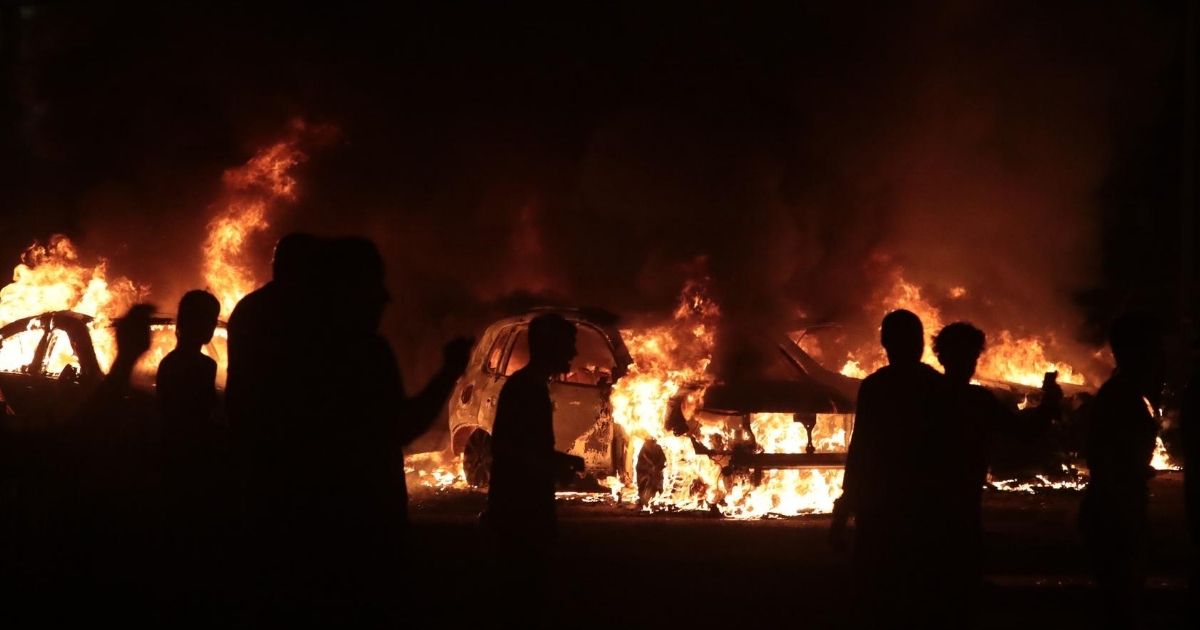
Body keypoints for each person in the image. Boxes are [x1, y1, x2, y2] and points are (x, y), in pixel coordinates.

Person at [929, 321, 1062, 625]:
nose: (969, 363)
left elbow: (1024, 431)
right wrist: (1049, 403)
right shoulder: (976, 402)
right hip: (957, 503)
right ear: (946, 357)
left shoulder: (929, 398)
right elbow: (1025, 431)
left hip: (935, 504)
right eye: (967, 356)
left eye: (972, 356)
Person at [829, 309, 944, 627]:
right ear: (920, 344)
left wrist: (843, 511)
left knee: (877, 595)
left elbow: (861, 452)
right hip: (925, 509)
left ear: (885, 344)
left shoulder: (875, 387)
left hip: (880, 508)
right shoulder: (937, 387)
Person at [482, 312, 584, 627]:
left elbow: (524, 446)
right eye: (569, 345)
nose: (574, 354)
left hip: (525, 510)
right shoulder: (526, 390)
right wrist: (551, 465)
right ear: (550, 348)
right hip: (520, 513)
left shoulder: (529, 387)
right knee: (523, 598)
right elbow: (510, 450)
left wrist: (560, 461)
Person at [1079, 312, 1164, 628]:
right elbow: (1105, 459)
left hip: (1118, 510)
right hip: (1115, 514)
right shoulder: (1120, 397)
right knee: (1120, 602)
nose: (1160, 356)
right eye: (1154, 348)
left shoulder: (1127, 393)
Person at [156, 289, 226, 622]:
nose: (210, 327)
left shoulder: (169, 363)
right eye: (208, 320)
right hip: (192, 459)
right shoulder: (201, 366)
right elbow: (200, 414)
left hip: (175, 459)